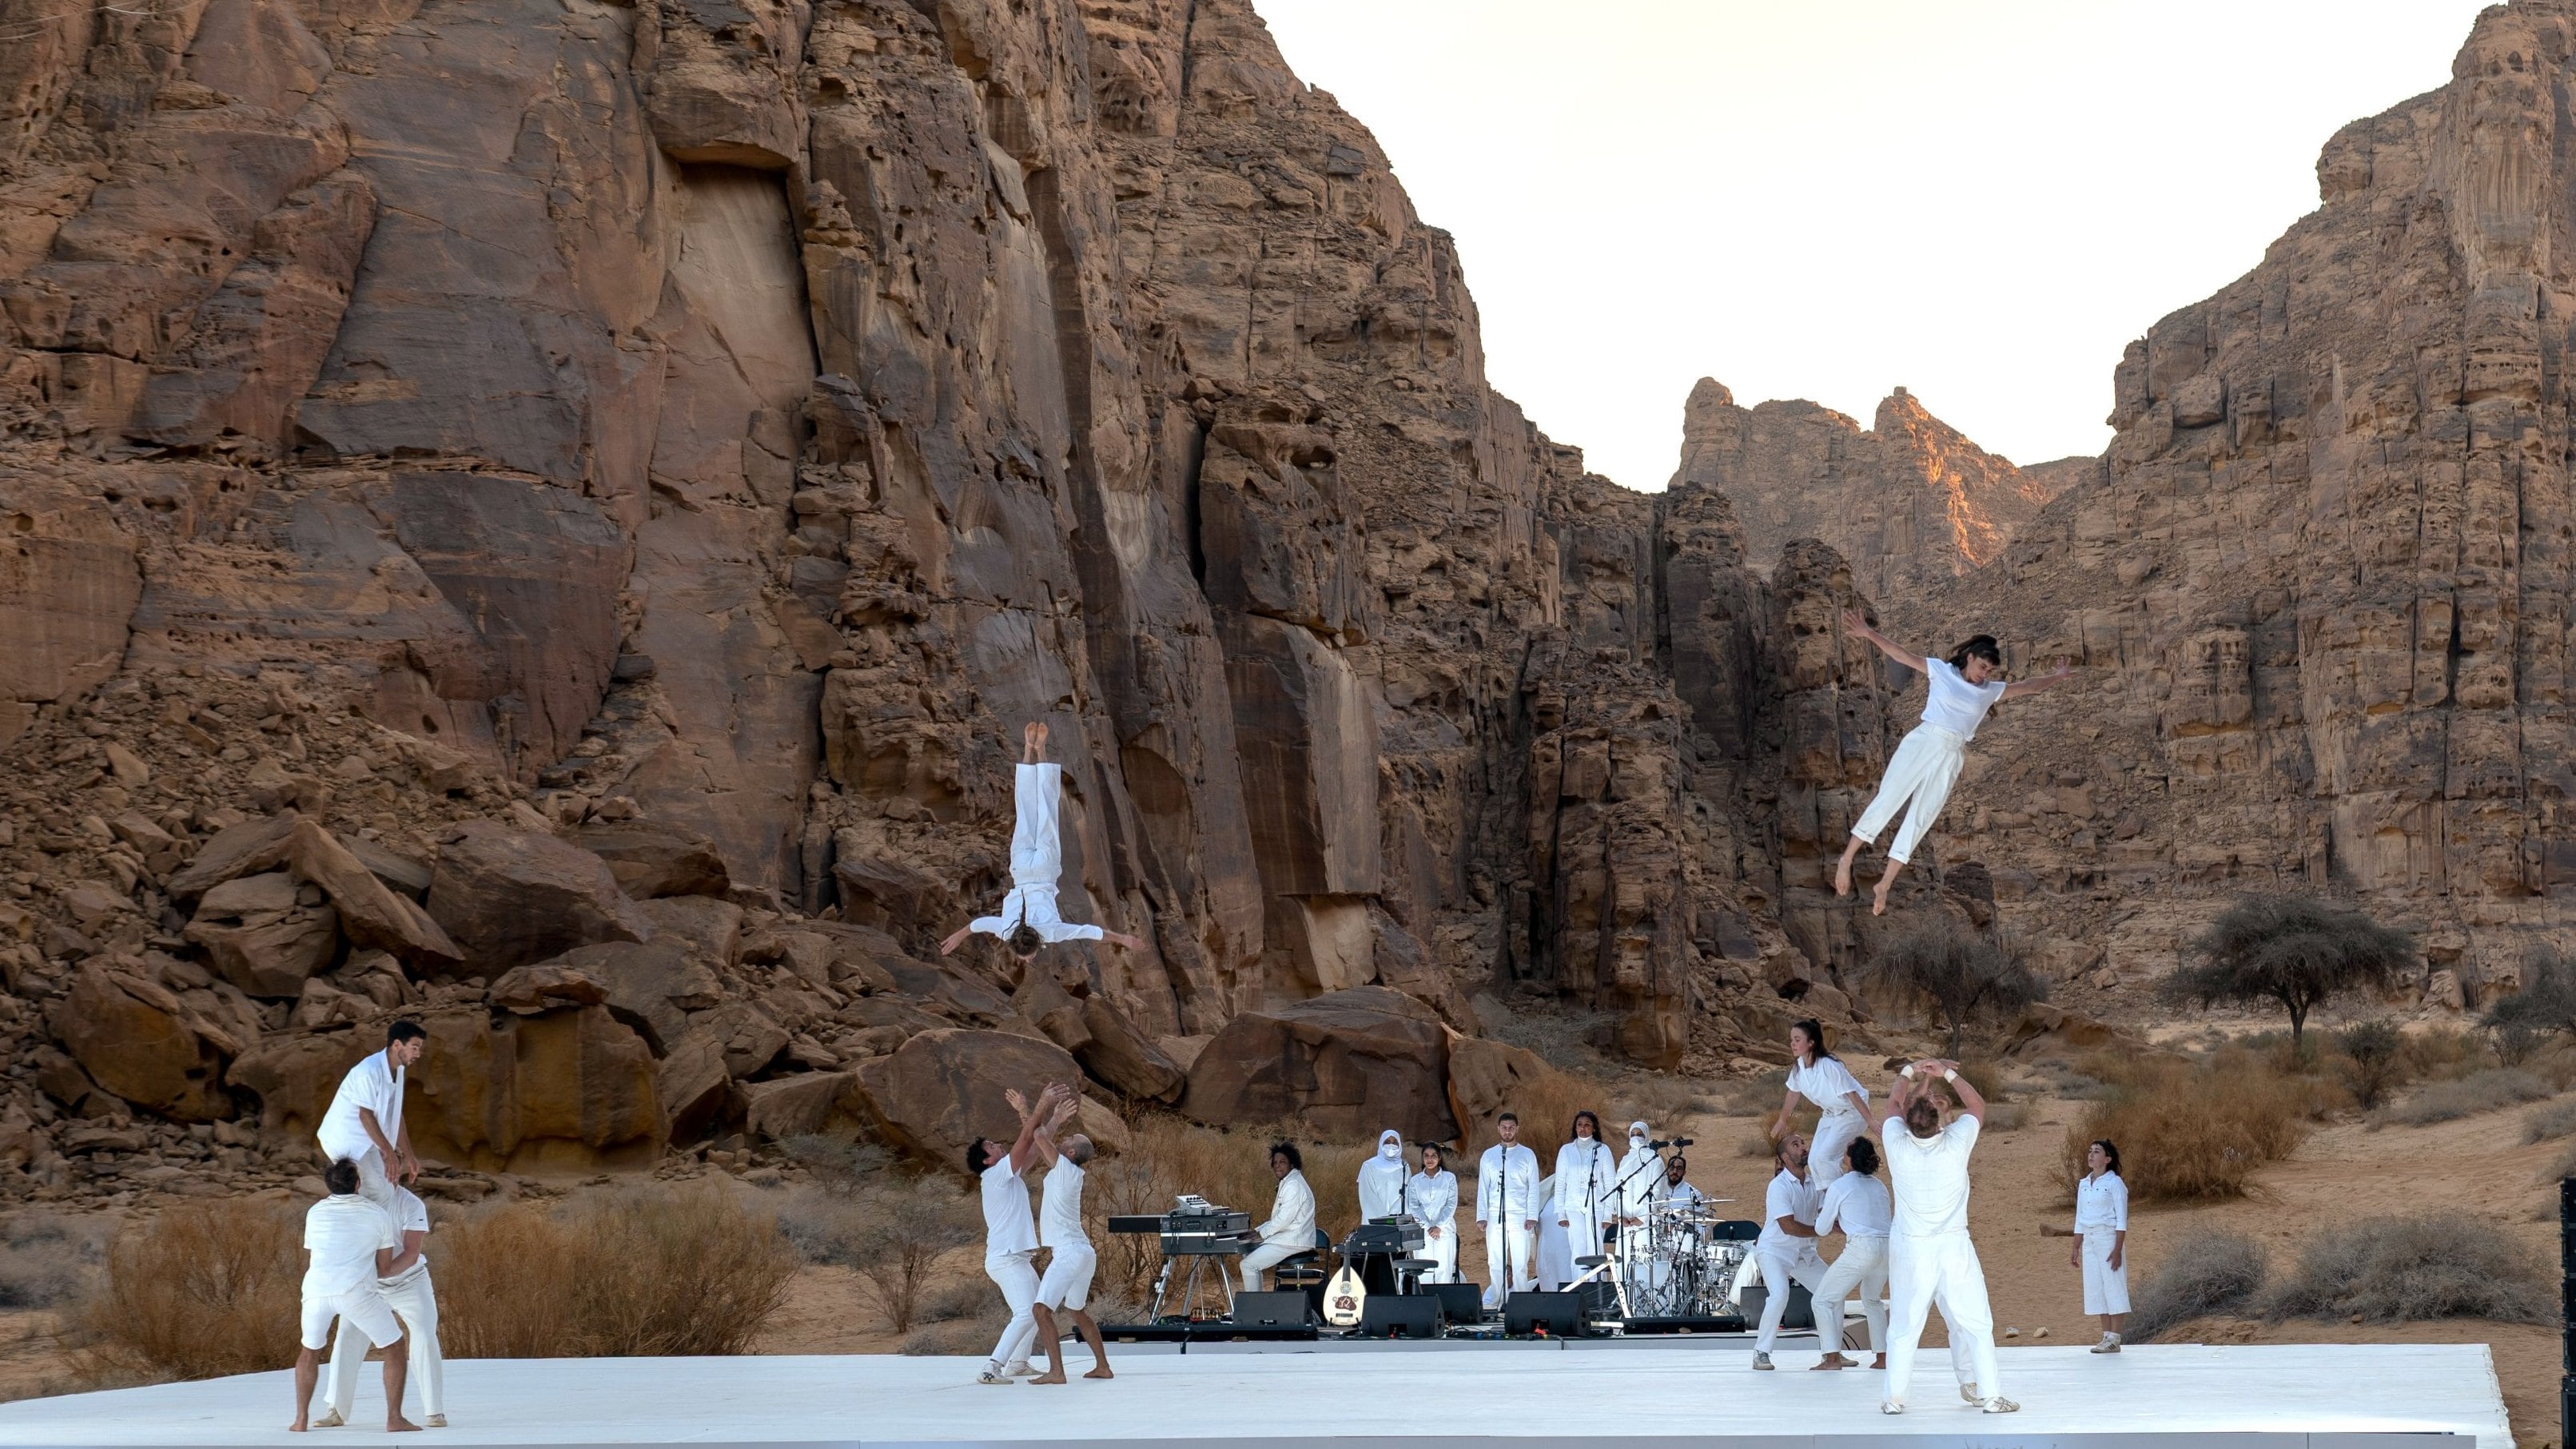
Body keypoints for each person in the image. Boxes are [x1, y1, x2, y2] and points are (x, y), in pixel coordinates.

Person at [1833, 616, 2075, 914]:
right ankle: (1847, 859)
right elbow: (1902, 655)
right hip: (1924, 741)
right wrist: (1869, 634)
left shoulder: (1989, 690)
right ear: (1969, 658)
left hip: (1952, 754)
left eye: (1990, 670)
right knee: (1890, 799)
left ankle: (1884, 884)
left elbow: (2028, 687)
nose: (1984, 674)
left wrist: (2057, 676)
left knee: (1921, 817)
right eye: (1982, 667)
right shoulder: (1941, 671)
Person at [940, 722, 1147, 963]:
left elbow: (1091, 932)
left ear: (1038, 943)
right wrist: (959, 935)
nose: (1027, 960)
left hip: (1045, 870)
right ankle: (1028, 748)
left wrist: (1123, 939)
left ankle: (1041, 749)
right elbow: (978, 925)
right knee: (1025, 810)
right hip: (1021, 869)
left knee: (1047, 811)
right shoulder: (1006, 930)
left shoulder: (1050, 932)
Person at [1878, 1058, 2013, 1415]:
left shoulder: (1896, 1144)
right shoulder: (1955, 1143)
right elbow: (1977, 1106)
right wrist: (1946, 1073)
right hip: (1953, 1245)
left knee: (1905, 1325)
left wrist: (1911, 1070)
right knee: (1976, 1321)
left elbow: (1893, 1104)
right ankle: (1991, 1395)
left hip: (1910, 1246)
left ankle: (1894, 1399)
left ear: (1907, 1123)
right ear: (1940, 1123)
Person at [289, 1158, 414, 1434]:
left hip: (316, 1291)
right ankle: (394, 1418)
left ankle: (300, 1420)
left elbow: (316, 1252)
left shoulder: (315, 1212)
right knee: (393, 1346)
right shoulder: (377, 1214)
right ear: (358, 1183)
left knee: (309, 1351)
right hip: (355, 1291)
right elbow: (383, 1268)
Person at [967, 1079, 1070, 1385]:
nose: (998, 1145)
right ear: (987, 1160)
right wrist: (1037, 1106)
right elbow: (1027, 1138)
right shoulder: (996, 1175)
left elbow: (1036, 1148)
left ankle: (1018, 1363)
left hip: (1015, 1258)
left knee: (1038, 1309)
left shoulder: (1007, 1176)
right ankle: (991, 1367)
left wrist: (1053, 1120)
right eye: (992, 1147)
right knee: (1027, 1312)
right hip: (1006, 1259)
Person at [317, 1186, 444, 1429]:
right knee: (346, 1337)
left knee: (425, 1335)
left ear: (394, 1172)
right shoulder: (356, 1201)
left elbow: (411, 1252)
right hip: (367, 1285)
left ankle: (434, 1412)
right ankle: (335, 1410)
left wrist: (381, 1273)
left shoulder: (411, 1203)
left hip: (410, 1281)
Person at [1023, 1091, 1111, 1385]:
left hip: (1071, 1252)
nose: (1063, 1141)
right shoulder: (1068, 1172)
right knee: (1076, 1310)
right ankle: (1102, 1366)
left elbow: (1037, 1136)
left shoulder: (1064, 1168)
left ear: (1071, 1154)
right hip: (1083, 1251)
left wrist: (1035, 1110)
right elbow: (1043, 1141)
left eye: (1068, 1141)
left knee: (1040, 1310)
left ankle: (1056, 1372)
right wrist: (1055, 1121)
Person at [317, 1021, 427, 1218]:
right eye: (415, 1047)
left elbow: (396, 1115)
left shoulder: (398, 1071)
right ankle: (354, 1234)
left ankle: (375, 1239)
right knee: (378, 1190)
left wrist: (409, 1155)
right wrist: (388, 1152)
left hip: (367, 1141)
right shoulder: (369, 1071)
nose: (418, 1054)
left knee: (387, 1187)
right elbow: (364, 1114)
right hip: (344, 1140)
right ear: (396, 1045)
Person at [1808, 1137, 1891, 1372]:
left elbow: (1821, 1229)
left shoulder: (1841, 1185)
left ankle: (1832, 1358)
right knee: (1873, 1300)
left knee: (1823, 1300)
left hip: (1862, 1247)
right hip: (1887, 1248)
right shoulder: (1879, 1185)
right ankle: (1883, 1358)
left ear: (1851, 1159)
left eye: (1845, 1153)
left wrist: (1833, 1221)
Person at [1750, 1133, 1827, 1371]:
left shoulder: (1815, 1183)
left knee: (1832, 1291)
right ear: (1785, 1157)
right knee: (1780, 1294)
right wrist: (1820, 1230)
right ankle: (1761, 1353)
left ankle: (1831, 1353)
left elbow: (1827, 1213)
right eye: (1796, 1145)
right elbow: (1787, 1225)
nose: (1804, 1147)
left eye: (1803, 1143)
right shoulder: (1778, 1186)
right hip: (1774, 1251)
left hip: (1804, 1253)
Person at [1773, 1019, 1869, 1188]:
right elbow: (1793, 1093)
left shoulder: (1829, 1065)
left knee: (1826, 1158)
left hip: (1852, 1113)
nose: (1792, 1044)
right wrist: (1782, 1120)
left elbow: (1852, 1094)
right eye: (1791, 1040)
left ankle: (1842, 1198)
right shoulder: (1799, 1067)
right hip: (1830, 1114)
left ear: (1811, 1043)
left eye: (1797, 1040)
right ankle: (1828, 1200)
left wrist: (1871, 1121)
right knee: (1814, 1160)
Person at [1475, 1112, 1540, 1309]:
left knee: (1520, 1263)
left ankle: (1521, 1302)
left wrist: (1532, 1216)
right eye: (1504, 1127)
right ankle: (1497, 1300)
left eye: (1511, 1127)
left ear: (1517, 1129)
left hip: (1520, 1216)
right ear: (1498, 1129)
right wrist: (1481, 1216)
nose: (1507, 1131)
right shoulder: (1489, 1155)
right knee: (1495, 1262)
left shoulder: (1527, 1154)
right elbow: (1483, 1187)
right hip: (1495, 1215)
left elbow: (1533, 1187)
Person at [2072, 1138, 2129, 1353]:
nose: (2091, 1154)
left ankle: (2115, 1337)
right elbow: (2080, 1216)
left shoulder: (2115, 1184)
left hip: (2108, 1238)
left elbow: (2122, 1219)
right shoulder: (2084, 1184)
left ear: (2107, 1159)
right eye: (2090, 1151)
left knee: (2113, 1285)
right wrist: (2076, 1244)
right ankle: (2105, 1336)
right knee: (2096, 1287)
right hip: (2090, 1239)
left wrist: (2117, 1249)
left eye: (2097, 1152)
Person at [1238, 1142, 1316, 1293]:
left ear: (1292, 1164)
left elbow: (1284, 1219)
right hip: (1289, 1238)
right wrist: (1256, 1231)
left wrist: (1261, 1234)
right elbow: (1278, 1218)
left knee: (1248, 1265)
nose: (1277, 1166)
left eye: (1282, 1162)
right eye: (1275, 1163)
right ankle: (1258, 1304)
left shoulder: (1294, 1185)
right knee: (1250, 1256)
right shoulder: (1289, 1182)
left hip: (1293, 1241)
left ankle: (1254, 1309)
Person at [1549, 1111, 1616, 1288]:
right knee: (1577, 1250)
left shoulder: (1602, 1150)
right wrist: (1561, 1213)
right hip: (1572, 1207)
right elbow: (1560, 1183)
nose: (1583, 1128)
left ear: (1593, 1128)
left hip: (1598, 1207)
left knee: (1595, 1249)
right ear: (1575, 1127)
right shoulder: (1566, 1151)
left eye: (1587, 1125)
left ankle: (1597, 1289)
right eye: (1579, 1124)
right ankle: (1580, 1289)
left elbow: (1610, 1183)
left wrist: (1608, 1213)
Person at [1405, 1144, 1459, 1284]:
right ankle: (1426, 1304)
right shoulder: (1415, 1181)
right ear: (1422, 1159)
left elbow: (1451, 1204)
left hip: (1445, 1231)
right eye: (1426, 1156)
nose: (1430, 1159)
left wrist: (1439, 1226)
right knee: (1425, 1272)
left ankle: (1444, 1304)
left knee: (1444, 1270)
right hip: (1423, 1232)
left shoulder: (1449, 1178)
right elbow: (1414, 1207)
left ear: (1440, 1158)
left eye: (1433, 1156)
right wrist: (1428, 1227)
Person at [1613, 1121, 1661, 1270]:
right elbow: (1617, 1189)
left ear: (1646, 1136)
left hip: (1646, 1222)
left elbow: (1657, 1191)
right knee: (1624, 1262)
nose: (1636, 1138)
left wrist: (1643, 1217)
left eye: (1640, 1135)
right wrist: (1621, 1216)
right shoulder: (1625, 1160)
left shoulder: (1655, 1159)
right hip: (1626, 1221)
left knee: (1645, 1264)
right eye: (1632, 1135)